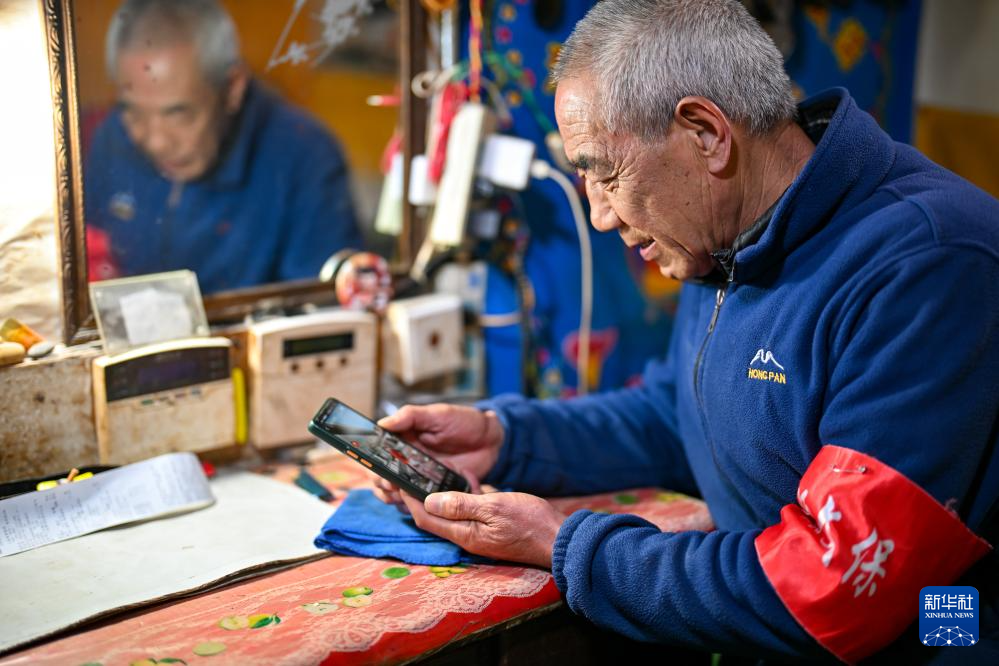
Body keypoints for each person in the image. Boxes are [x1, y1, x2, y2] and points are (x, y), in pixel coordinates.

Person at [373, 0, 999, 662]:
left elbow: (836, 586)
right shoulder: (729, 236)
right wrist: (504, 439)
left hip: (942, 639)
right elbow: (682, 416)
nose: (600, 216)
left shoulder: (930, 265)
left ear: (705, 134)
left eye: (605, 173)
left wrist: (565, 545)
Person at [84, 0, 362, 292]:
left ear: (232, 88)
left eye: (178, 114)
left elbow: (328, 305)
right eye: (133, 112)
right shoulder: (111, 136)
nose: (156, 142)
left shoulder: (305, 158)